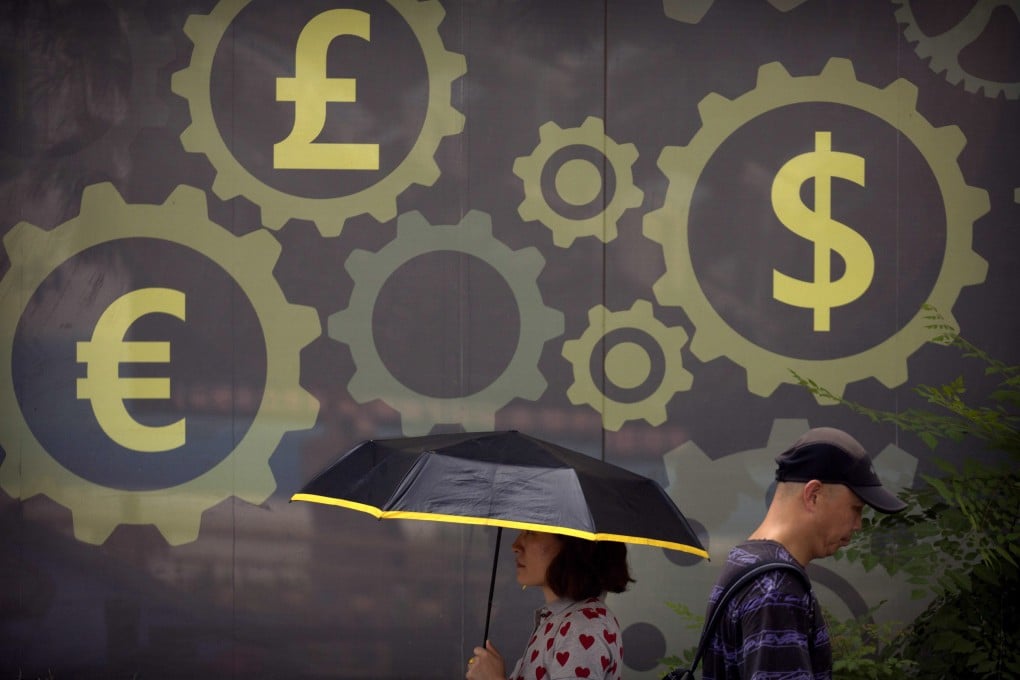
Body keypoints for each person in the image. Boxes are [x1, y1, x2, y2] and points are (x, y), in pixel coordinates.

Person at [701, 427, 908, 679]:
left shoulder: (747, 560)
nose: (858, 525)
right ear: (814, 495)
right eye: (856, 508)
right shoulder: (775, 586)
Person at [466, 530, 633, 680]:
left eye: (531, 532)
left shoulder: (583, 625)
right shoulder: (563, 619)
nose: (515, 545)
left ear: (572, 544)